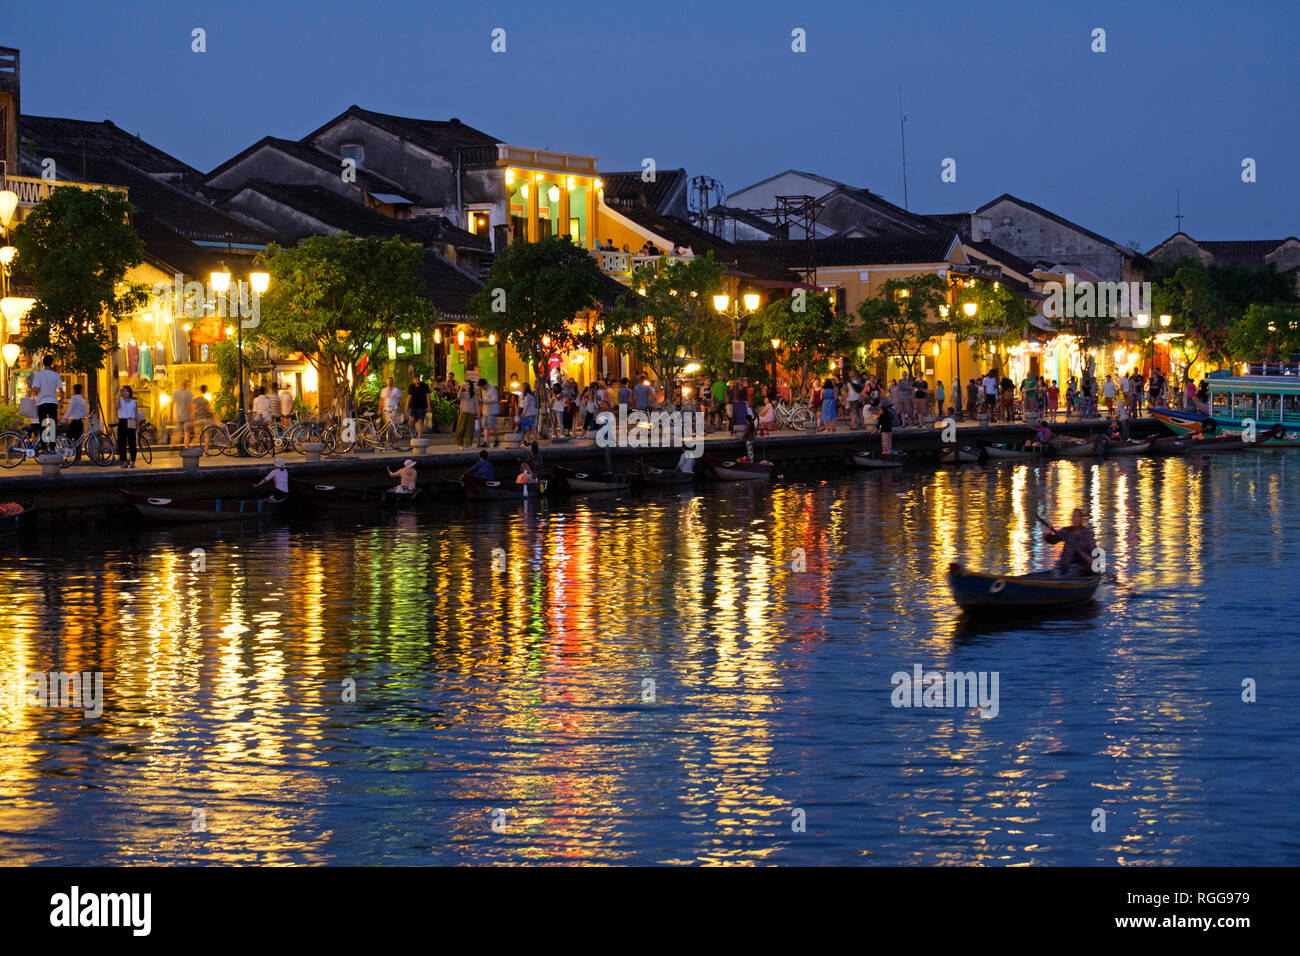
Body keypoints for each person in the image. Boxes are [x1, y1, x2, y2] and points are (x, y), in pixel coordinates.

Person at [1043, 508, 1098, 577]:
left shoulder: (1087, 533)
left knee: (1075, 572)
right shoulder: (1066, 531)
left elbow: (1094, 548)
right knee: (1056, 574)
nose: (1074, 519)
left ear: (1081, 519)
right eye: (1073, 516)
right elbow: (1053, 540)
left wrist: (1093, 558)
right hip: (1064, 564)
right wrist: (1047, 535)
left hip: (1079, 566)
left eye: (1077, 516)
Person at [30, 355, 63, 452]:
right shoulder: (56, 375)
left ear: (43, 363)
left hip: (42, 403)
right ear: (51, 363)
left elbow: (36, 389)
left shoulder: (39, 375)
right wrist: (61, 402)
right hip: (53, 402)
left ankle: (44, 448)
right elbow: (61, 390)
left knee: (43, 425)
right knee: (52, 425)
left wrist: (30, 389)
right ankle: (52, 448)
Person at [116, 385, 139, 468]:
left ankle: (133, 461)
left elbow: (136, 414)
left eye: (127, 391)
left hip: (131, 422)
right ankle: (125, 461)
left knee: (132, 443)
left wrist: (137, 427)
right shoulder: (120, 401)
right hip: (122, 422)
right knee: (122, 443)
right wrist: (119, 395)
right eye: (124, 391)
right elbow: (116, 407)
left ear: (130, 392)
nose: (125, 393)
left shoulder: (133, 402)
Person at [455, 380, 478, 450]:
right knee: (460, 429)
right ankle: (460, 443)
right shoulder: (463, 393)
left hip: (471, 414)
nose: (467, 386)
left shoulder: (473, 395)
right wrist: (461, 387)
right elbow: (458, 396)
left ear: (471, 386)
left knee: (470, 430)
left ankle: (469, 444)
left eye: (468, 385)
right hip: (463, 413)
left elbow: (476, 404)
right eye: (466, 384)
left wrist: (478, 414)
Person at [479, 379, 500, 448]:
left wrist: (484, 400)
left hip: (492, 411)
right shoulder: (483, 390)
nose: (482, 388)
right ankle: (486, 442)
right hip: (485, 411)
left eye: (482, 387)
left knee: (492, 426)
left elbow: (495, 399)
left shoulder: (492, 389)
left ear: (485, 384)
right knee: (485, 426)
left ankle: (497, 439)